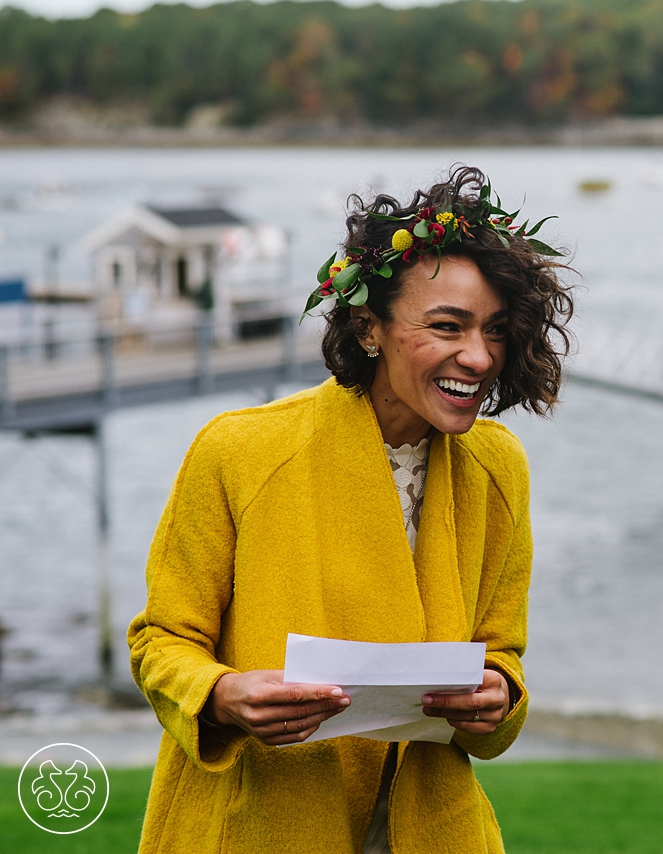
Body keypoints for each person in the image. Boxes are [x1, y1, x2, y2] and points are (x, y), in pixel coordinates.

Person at [127, 165, 573, 854]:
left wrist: (498, 699)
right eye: (448, 326)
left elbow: (501, 653)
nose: (479, 356)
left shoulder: (500, 466)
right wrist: (221, 694)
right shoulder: (238, 449)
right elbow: (161, 642)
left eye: (495, 330)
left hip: (433, 829)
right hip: (263, 824)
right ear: (369, 329)